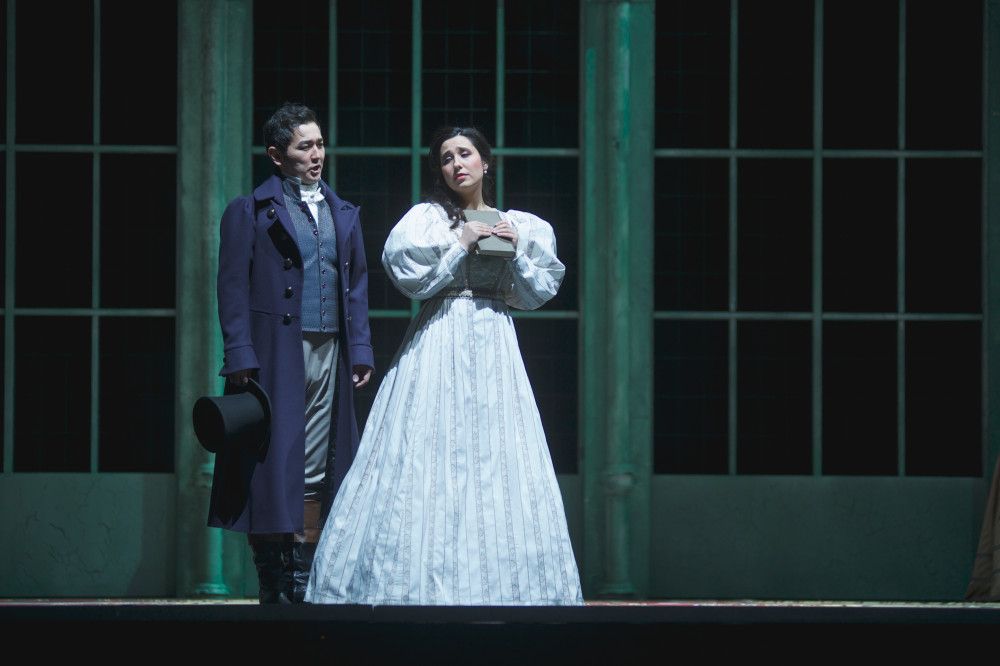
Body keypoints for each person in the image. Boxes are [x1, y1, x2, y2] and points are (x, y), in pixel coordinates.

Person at [306, 126, 583, 605]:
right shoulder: (428, 220)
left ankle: (501, 589)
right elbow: (409, 277)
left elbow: (534, 292)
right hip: (439, 336)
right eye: (447, 158)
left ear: (485, 162)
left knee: (498, 455)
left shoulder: (519, 224)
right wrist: (460, 241)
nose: (457, 164)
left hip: (494, 341)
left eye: (465, 154)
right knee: (425, 449)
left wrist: (515, 248)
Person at [208, 102, 374, 604]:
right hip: (273, 354)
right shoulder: (249, 210)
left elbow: (356, 287)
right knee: (273, 463)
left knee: (318, 463)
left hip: (330, 348)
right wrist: (239, 352)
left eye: (320, 144)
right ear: (277, 155)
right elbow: (232, 287)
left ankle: (304, 577)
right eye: (305, 146)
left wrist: (360, 347)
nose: (317, 154)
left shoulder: (341, 212)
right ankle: (274, 581)